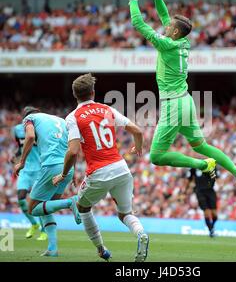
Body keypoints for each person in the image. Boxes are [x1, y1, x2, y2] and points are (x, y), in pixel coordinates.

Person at [127, 0, 236, 191]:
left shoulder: (166, 44)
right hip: (186, 101)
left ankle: (202, 164)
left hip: (173, 104)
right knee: (201, 144)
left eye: (168, 27)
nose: (164, 26)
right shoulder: (182, 41)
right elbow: (166, 17)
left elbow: (138, 23)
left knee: (156, 156)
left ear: (174, 32)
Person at [52, 73, 149, 262]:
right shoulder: (107, 109)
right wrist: (138, 146)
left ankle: (101, 249)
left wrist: (63, 174)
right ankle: (141, 234)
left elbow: (72, 152)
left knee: (83, 207)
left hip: (99, 171)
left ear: (75, 95)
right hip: (121, 168)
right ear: (93, 92)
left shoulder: (73, 117)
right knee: (125, 214)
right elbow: (137, 130)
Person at [14, 106, 81, 257]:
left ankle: (70, 202)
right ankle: (52, 248)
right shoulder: (61, 120)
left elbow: (30, 137)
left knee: (33, 208)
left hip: (51, 166)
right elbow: (74, 147)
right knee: (46, 207)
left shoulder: (29, 119)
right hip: (66, 168)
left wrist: (22, 162)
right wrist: (73, 171)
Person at [13, 120, 47, 241]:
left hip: (39, 169)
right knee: (21, 198)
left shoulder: (40, 129)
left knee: (38, 201)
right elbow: (20, 147)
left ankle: (44, 230)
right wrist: (15, 156)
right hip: (25, 169)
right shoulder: (17, 129)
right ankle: (34, 224)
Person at [186, 168, 218, 237]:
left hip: (210, 191)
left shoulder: (211, 165)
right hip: (200, 192)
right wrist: (187, 189)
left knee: (214, 214)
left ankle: (212, 227)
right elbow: (190, 179)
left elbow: (215, 177)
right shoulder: (193, 167)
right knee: (206, 212)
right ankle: (211, 231)